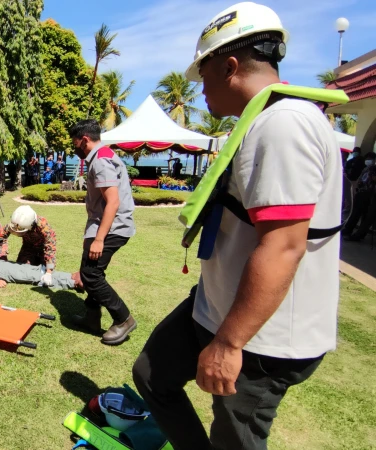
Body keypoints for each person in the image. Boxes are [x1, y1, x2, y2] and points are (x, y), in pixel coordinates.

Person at [133, 4, 343, 449]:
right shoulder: (260, 121)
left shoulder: (285, 124)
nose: (200, 88)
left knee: (235, 439)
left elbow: (284, 245)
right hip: (214, 305)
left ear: (229, 66)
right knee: (152, 374)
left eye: (202, 75)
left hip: (260, 337)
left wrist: (229, 344)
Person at [68, 119, 137, 345]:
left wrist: (99, 239)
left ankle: (123, 318)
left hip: (110, 227)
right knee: (89, 271)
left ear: (84, 140)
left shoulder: (101, 161)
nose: (73, 147)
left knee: (92, 275)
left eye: (75, 142)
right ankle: (92, 316)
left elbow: (113, 202)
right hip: (102, 225)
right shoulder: (103, 156)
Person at [0, 259, 85, 290]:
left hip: (7, 268)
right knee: (36, 273)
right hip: (6, 270)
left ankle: (71, 280)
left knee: (36, 274)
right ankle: (71, 279)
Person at [6, 205, 57, 285]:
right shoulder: (16, 222)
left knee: (42, 272)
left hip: (42, 250)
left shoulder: (44, 226)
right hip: (28, 247)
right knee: (22, 270)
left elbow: (50, 249)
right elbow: (0, 236)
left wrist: (49, 272)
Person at [343, 152, 376, 241]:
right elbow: (361, 178)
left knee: (368, 216)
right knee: (356, 212)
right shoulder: (368, 169)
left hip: (370, 194)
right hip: (362, 192)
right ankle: (348, 229)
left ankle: (359, 235)